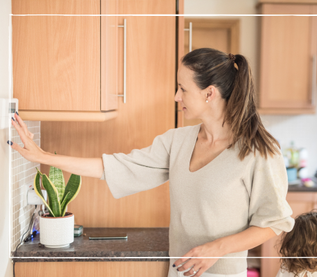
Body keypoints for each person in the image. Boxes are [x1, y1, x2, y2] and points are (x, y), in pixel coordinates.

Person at [8, 48, 295, 277]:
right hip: (178, 268)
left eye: (183, 89)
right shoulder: (178, 141)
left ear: (210, 94)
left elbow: (275, 222)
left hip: (222, 273)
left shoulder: (259, 151)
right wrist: (43, 157)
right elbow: (114, 167)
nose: (175, 96)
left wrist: (216, 249)